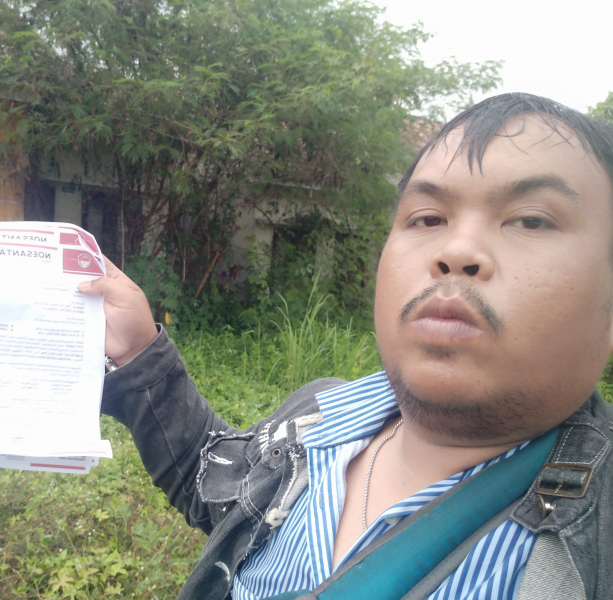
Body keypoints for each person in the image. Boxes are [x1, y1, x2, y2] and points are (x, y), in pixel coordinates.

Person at [78, 93, 613, 600]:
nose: (457, 250)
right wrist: (141, 353)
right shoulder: (318, 417)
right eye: (428, 218)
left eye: (531, 220)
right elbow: (214, 485)